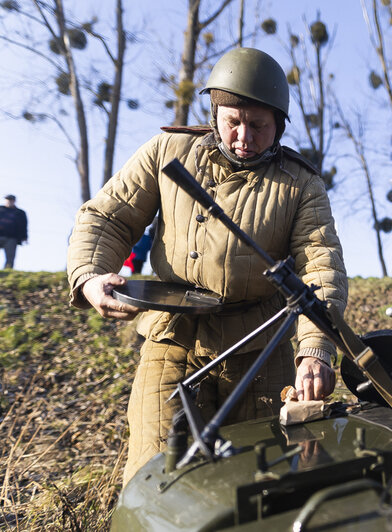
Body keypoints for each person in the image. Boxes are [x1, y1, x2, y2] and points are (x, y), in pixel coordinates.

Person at [66, 47, 347, 484]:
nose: (243, 138)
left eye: (258, 126)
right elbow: (108, 217)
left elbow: (320, 267)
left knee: (264, 482)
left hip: (261, 351)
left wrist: (314, 351)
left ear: (279, 125)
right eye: (233, 121)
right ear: (214, 112)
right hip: (173, 341)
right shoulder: (167, 152)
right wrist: (88, 276)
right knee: (156, 479)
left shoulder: (301, 185)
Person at [0, 194, 28, 269]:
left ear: (14, 201)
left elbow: (23, 226)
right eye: (8, 200)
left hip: (12, 237)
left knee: (10, 256)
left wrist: (24, 237)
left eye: (11, 200)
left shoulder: (20, 213)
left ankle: (7, 271)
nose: (9, 201)